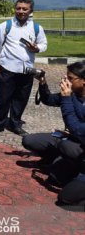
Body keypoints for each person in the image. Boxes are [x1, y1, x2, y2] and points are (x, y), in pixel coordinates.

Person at [22, 62, 85, 200]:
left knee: (57, 182)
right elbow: (48, 99)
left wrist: (66, 98)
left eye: (70, 78)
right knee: (29, 140)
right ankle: (54, 159)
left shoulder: (70, 96)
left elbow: (77, 129)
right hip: (69, 138)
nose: (65, 81)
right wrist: (42, 82)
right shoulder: (72, 93)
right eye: (65, 77)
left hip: (80, 145)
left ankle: (73, 169)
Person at [0, 0, 47, 135]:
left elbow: (44, 44)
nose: (21, 11)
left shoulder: (36, 28)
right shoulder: (5, 26)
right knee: (2, 98)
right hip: (6, 68)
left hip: (26, 70)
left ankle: (15, 124)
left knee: (21, 99)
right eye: (18, 8)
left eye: (24, 9)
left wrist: (37, 48)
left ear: (31, 11)